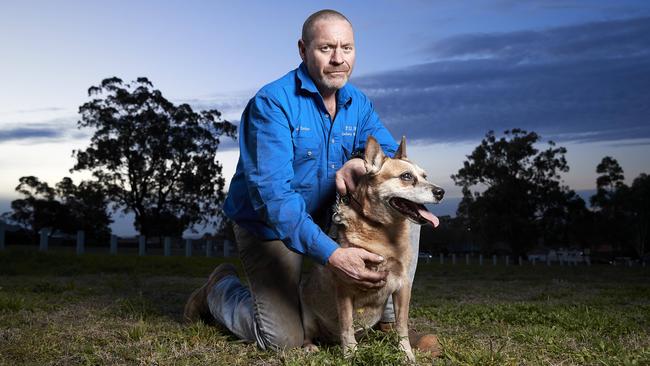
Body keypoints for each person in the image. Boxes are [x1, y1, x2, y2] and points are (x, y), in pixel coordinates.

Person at [184, 9, 440, 354]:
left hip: (326, 214)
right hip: (271, 225)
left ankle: (387, 316)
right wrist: (333, 255)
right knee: (283, 340)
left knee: (405, 200)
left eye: (347, 48)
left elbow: (395, 158)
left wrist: (355, 163)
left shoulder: (358, 103)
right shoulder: (272, 104)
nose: (339, 59)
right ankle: (220, 290)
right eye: (326, 48)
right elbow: (275, 199)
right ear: (303, 49)